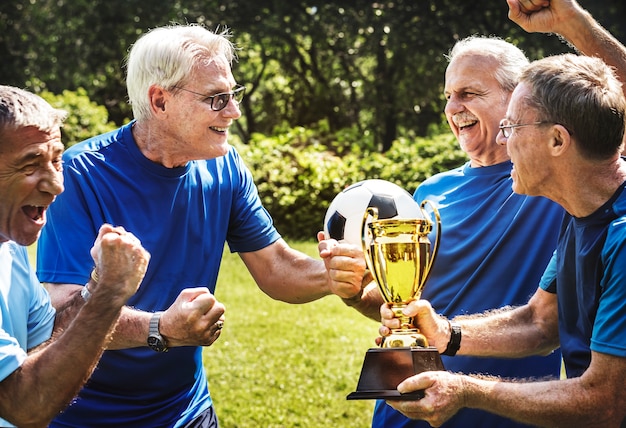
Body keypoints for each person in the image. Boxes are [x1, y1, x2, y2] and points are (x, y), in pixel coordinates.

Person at [36, 24, 362, 427]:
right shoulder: (80, 173)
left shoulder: (224, 166)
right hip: (84, 415)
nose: (234, 112)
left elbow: (277, 267)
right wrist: (161, 327)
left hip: (186, 411)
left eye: (233, 95)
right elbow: (60, 317)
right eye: (216, 99)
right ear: (160, 101)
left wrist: (331, 274)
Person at [381, 49, 626, 428]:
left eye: (511, 128)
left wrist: (466, 390)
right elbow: (540, 322)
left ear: (557, 141)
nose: (505, 144)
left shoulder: (622, 238)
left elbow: (605, 403)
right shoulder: (581, 217)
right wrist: (445, 332)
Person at [0, 85, 150, 427]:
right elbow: (24, 404)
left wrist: (97, 286)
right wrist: (110, 294)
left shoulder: (10, 245)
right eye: (31, 164)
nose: (56, 184)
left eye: (56, 160)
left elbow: (46, 335)